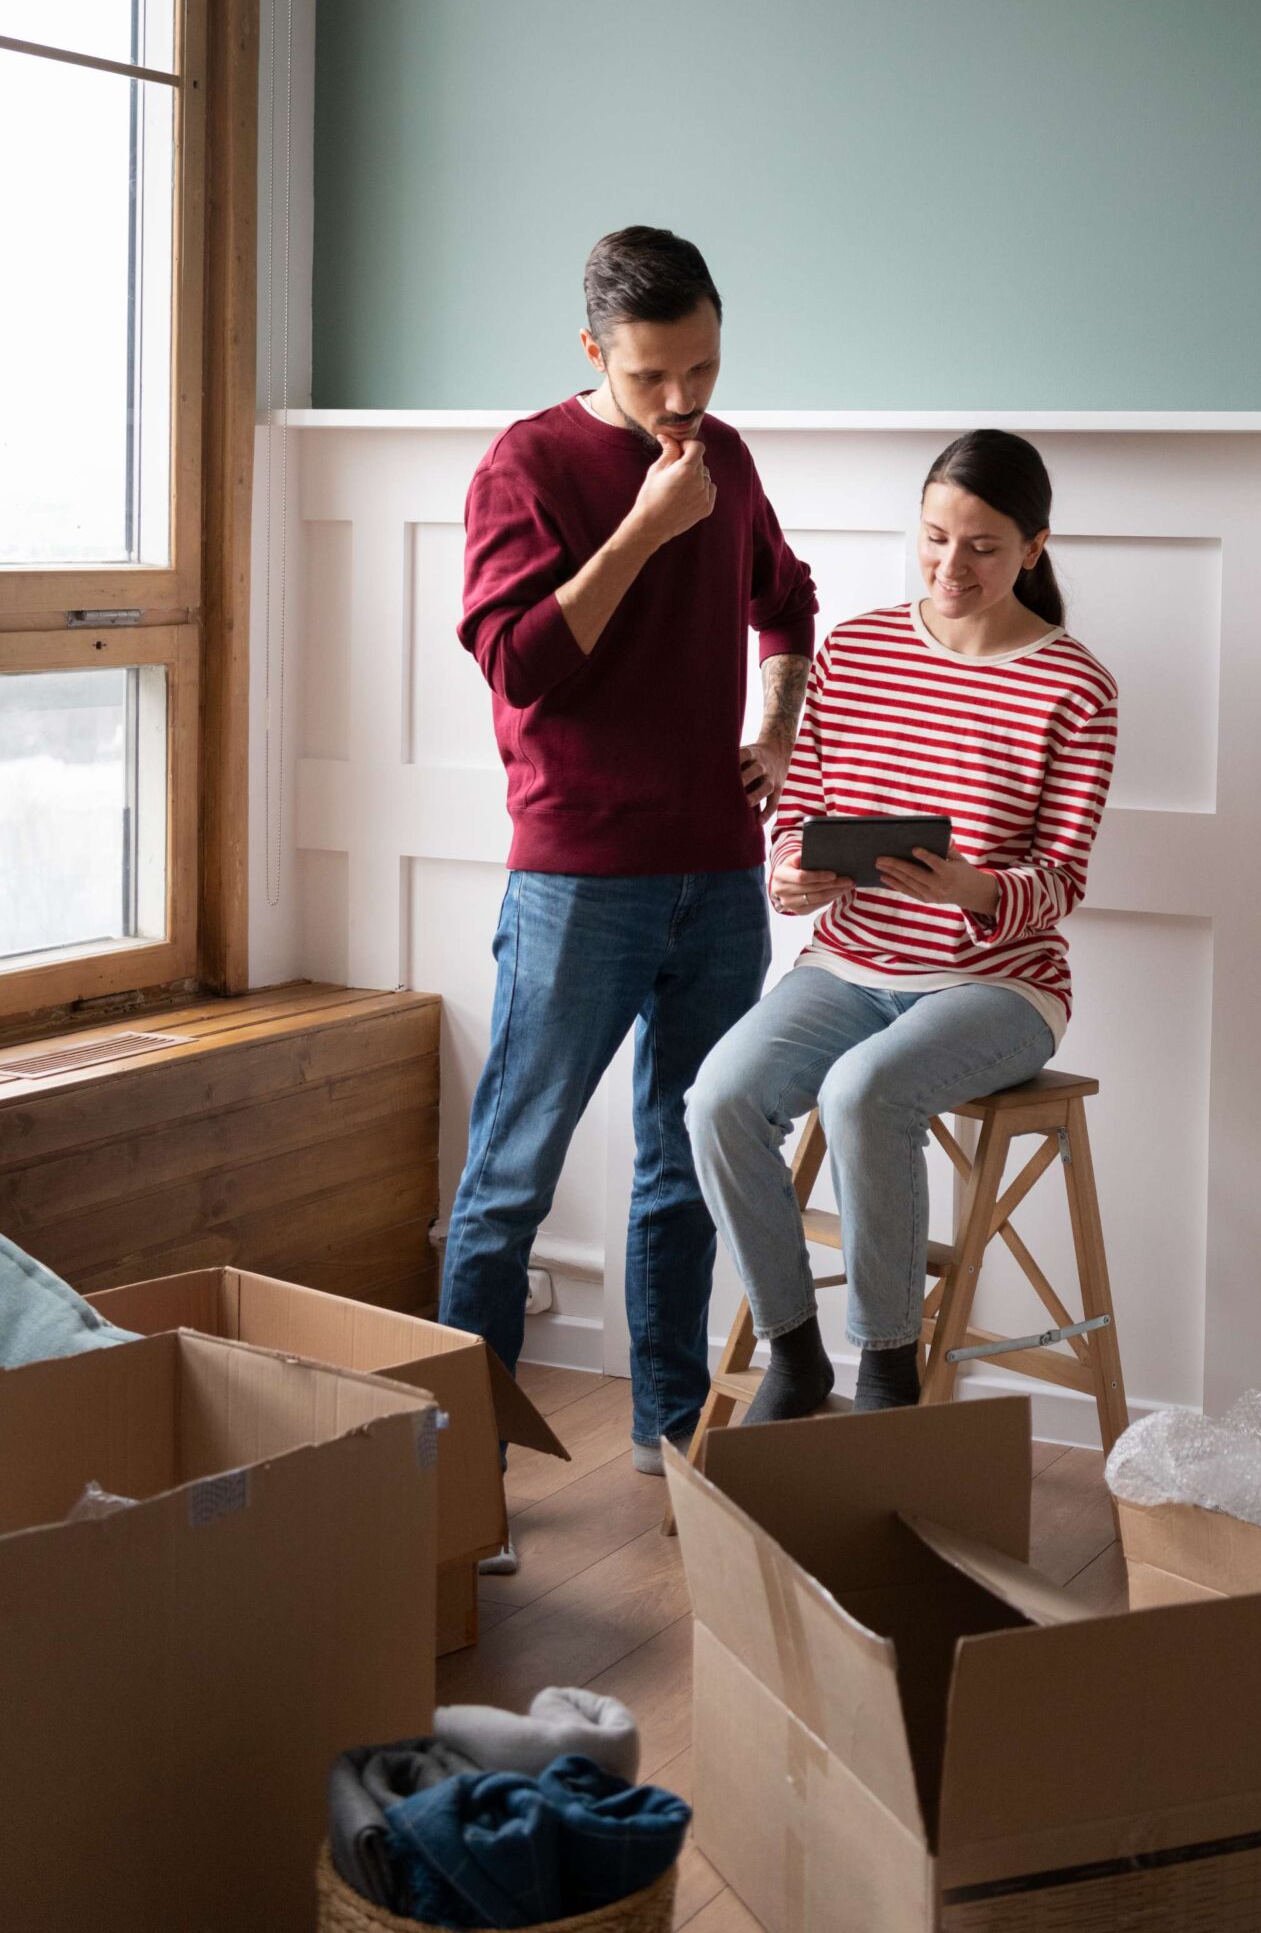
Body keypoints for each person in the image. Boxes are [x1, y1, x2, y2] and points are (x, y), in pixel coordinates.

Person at [440, 226, 817, 1482]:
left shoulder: (729, 456)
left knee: (682, 1170)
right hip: (575, 880)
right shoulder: (528, 464)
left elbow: (786, 600)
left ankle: (666, 1430)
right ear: (593, 348)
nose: (681, 402)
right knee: (509, 1181)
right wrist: (648, 528)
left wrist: (772, 727)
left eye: (702, 369)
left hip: (716, 875)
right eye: (653, 374)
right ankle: (453, 1484)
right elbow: (520, 664)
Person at [685, 429, 1117, 1421]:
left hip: (998, 988)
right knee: (715, 1100)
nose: (949, 566)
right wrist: (793, 871)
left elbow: (1059, 880)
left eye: (980, 546)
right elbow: (805, 803)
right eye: (932, 538)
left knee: (863, 1092)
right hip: (848, 962)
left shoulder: (1073, 686)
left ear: (1032, 549)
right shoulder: (860, 647)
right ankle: (792, 1354)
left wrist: (975, 892)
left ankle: (885, 1376)